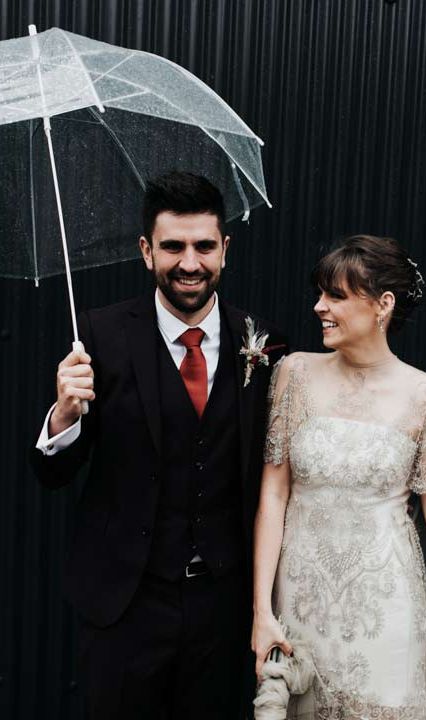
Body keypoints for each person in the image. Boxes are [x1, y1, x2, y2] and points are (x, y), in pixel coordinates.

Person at [31, 172, 287, 720]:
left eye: (203, 246)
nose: (189, 263)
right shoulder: (98, 335)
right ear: (147, 251)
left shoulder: (263, 341)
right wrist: (64, 416)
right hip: (125, 603)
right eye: (173, 246)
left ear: (226, 250)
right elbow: (53, 475)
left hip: (222, 605)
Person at [252, 235, 426, 719]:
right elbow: (273, 496)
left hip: (385, 605)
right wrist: (262, 611)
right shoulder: (294, 373)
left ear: (383, 305)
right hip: (301, 601)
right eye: (319, 293)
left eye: (335, 295)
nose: (319, 307)